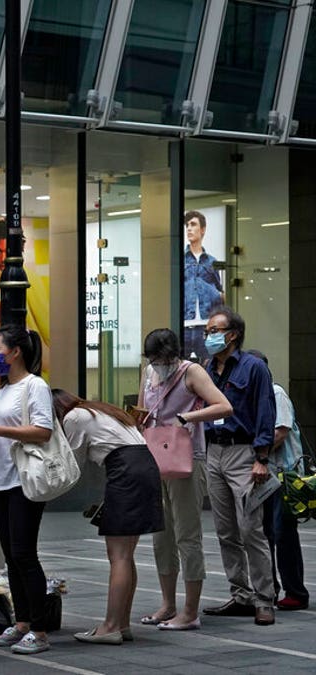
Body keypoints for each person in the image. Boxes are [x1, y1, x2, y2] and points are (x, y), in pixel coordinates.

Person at [137, 328, 232, 631]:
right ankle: (168, 604)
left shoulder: (191, 372)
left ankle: (190, 612)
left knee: (187, 536)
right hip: (155, 458)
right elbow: (143, 410)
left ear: (173, 355)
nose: (157, 365)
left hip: (187, 459)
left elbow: (224, 406)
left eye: (162, 359)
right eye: (152, 359)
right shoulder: (148, 371)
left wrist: (187, 418)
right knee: (161, 535)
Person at [53, 389, 163, 645]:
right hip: (144, 467)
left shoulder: (74, 418)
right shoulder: (101, 410)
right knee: (126, 554)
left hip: (125, 473)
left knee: (119, 556)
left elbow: (73, 463)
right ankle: (121, 623)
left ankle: (111, 626)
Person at [199, 307, 278, 626]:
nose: (209, 336)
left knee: (250, 529)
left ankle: (264, 599)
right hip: (214, 451)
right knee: (225, 530)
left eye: (214, 330)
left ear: (232, 334)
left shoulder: (254, 367)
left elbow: (265, 413)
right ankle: (241, 594)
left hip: (244, 453)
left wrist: (262, 458)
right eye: (206, 331)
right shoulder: (207, 367)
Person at [0, 325, 54, 655]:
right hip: (0, 480)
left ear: (16, 352)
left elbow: (42, 430)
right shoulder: (0, 391)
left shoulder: (34, 386)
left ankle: (39, 630)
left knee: (25, 554)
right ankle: (22, 622)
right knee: (11, 556)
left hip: (24, 480)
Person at [245, 350, 309, 611]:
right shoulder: (252, 398)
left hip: (282, 474)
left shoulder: (276, 393)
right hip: (263, 476)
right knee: (264, 533)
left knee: (284, 534)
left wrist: (254, 453)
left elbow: (279, 433)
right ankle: (269, 589)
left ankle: (296, 592)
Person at [182, 210, 224, 361]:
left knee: (211, 367)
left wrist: (215, 294)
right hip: (184, 324)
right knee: (180, 371)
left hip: (207, 325)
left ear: (203, 229)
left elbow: (220, 291)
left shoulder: (211, 261)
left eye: (193, 224)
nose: (189, 228)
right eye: (187, 225)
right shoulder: (180, 260)